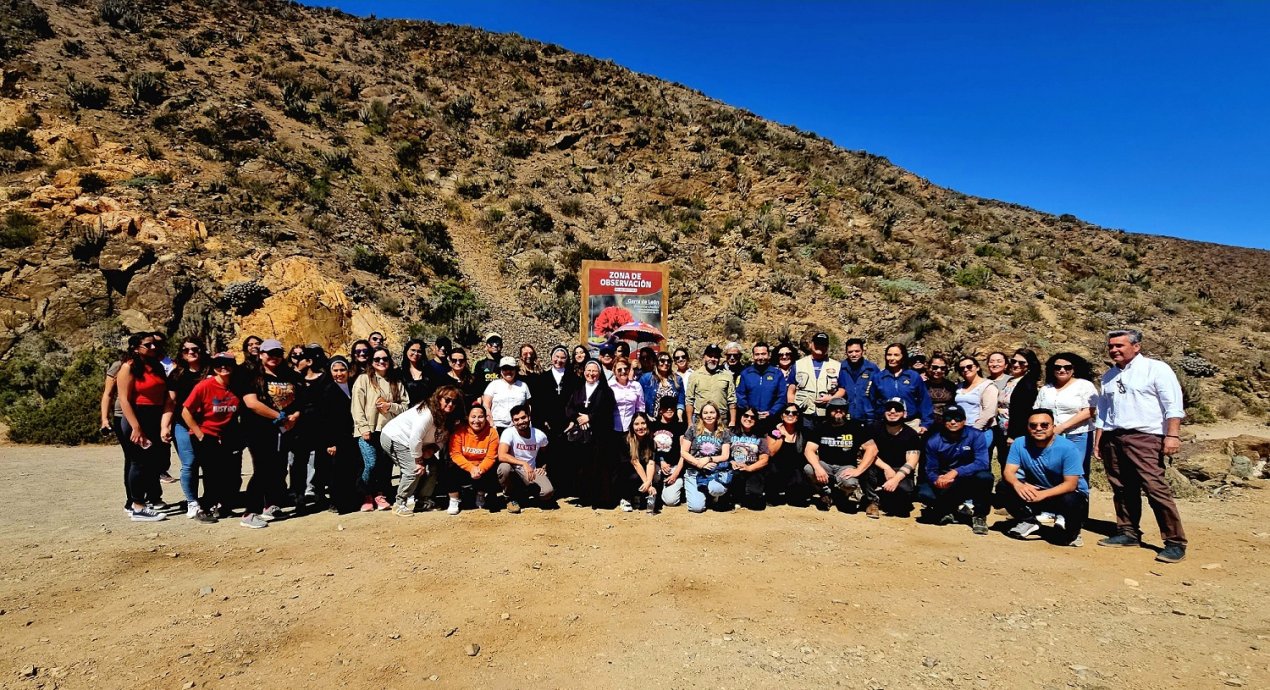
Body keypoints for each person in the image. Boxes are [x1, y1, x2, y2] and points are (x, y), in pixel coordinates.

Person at [1093, 329, 1188, 563]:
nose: (1114, 350)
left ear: (1136, 347)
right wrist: (1099, 441)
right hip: (1113, 437)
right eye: (1111, 346)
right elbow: (1103, 412)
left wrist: (1172, 435)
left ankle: (1175, 541)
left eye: (1119, 345)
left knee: (1155, 487)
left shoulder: (1156, 369)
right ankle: (1128, 532)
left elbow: (1172, 404)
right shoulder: (1109, 376)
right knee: (1121, 487)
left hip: (1145, 437)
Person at [238, 339, 305, 528]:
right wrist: (279, 416)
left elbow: (300, 400)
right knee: (263, 469)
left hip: (284, 429)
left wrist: (295, 416)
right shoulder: (251, 375)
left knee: (278, 468)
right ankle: (250, 512)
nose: (273, 357)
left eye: (277, 353)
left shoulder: (289, 375)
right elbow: (251, 403)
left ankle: (271, 505)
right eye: (269, 353)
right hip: (259, 429)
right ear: (261, 354)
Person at [1003, 409, 1088, 546]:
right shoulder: (1019, 443)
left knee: (1071, 500)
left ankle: (1073, 532)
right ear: (1027, 427)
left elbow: (1071, 484)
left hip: (1066, 494)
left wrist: (1043, 494)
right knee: (1004, 486)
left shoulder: (1068, 448)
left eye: (1044, 425)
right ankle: (1029, 521)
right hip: (1038, 491)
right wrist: (1018, 484)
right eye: (1033, 425)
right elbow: (1008, 472)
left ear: (1053, 427)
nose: (1038, 429)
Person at [115, 332, 175, 521]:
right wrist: (136, 427)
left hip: (155, 416)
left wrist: (164, 424)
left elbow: (166, 395)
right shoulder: (128, 367)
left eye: (154, 344)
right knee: (138, 462)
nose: (153, 347)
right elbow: (124, 399)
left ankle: (147, 501)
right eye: (148, 345)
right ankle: (137, 506)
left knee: (152, 462)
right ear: (135, 348)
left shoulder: (156, 366)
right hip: (137, 417)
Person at [180, 352, 241, 523]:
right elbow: (186, 411)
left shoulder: (237, 386)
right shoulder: (204, 386)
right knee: (212, 474)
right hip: (207, 435)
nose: (223, 367)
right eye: (219, 364)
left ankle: (223, 506)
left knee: (231, 474)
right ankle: (204, 508)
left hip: (228, 436)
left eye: (227, 364)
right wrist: (199, 434)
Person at [381, 385, 459, 515]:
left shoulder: (448, 416)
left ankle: (423, 501)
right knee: (413, 470)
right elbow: (415, 438)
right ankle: (400, 503)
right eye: (447, 400)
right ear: (439, 398)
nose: (450, 404)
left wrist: (433, 449)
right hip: (397, 438)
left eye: (454, 402)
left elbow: (443, 438)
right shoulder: (427, 413)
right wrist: (418, 460)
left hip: (418, 444)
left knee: (433, 467)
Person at [351, 345, 410, 512]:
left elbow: (405, 406)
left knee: (385, 465)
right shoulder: (363, 379)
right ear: (371, 361)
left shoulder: (395, 381)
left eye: (385, 359)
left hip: (388, 431)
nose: (381, 362)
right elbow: (357, 406)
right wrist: (363, 427)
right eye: (377, 359)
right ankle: (366, 495)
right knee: (370, 464)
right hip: (367, 430)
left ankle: (380, 494)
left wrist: (390, 406)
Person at [919, 405, 992, 535]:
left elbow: (982, 462)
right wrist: (936, 480)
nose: (953, 422)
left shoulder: (976, 435)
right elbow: (930, 469)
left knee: (985, 477)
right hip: (946, 480)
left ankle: (980, 516)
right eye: (949, 418)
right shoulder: (933, 440)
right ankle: (950, 510)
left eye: (957, 418)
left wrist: (956, 472)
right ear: (943, 421)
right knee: (924, 493)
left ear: (964, 420)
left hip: (968, 478)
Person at [803, 397, 878, 512]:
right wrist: (818, 468)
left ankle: (841, 495)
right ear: (829, 411)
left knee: (850, 483)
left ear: (846, 411)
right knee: (809, 469)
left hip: (846, 467)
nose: (838, 411)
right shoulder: (821, 427)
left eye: (842, 409)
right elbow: (809, 450)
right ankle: (825, 494)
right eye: (834, 409)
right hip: (825, 465)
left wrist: (858, 470)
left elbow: (872, 449)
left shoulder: (855, 427)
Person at [1036, 352, 1098, 477]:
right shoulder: (1046, 389)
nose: (1062, 370)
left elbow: (1089, 410)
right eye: (1057, 367)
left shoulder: (1084, 385)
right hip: (1050, 436)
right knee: (1053, 471)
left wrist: (1062, 427)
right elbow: (1038, 410)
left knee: (1075, 472)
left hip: (1077, 435)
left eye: (1067, 367)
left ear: (1074, 369)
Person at [565, 360, 617, 508]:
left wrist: (590, 417)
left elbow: (608, 410)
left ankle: (599, 499)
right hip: (581, 436)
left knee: (598, 467)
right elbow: (569, 408)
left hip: (599, 436)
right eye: (588, 370)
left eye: (594, 371)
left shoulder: (606, 391)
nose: (591, 374)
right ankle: (584, 497)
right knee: (582, 466)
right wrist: (579, 418)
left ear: (599, 373)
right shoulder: (578, 389)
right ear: (584, 372)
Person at [527, 346, 578, 496]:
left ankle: (567, 488)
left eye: (563, 357)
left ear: (567, 360)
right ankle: (551, 486)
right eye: (557, 357)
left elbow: (577, 401)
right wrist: (542, 421)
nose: (559, 360)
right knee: (550, 455)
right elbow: (537, 403)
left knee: (567, 455)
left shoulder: (574, 379)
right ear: (551, 358)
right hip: (547, 424)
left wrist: (573, 420)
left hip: (567, 423)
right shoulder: (542, 378)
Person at [169, 337, 210, 517]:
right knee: (190, 463)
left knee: (209, 463)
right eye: (186, 350)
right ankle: (192, 501)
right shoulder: (176, 375)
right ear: (181, 353)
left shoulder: (211, 371)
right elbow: (170, 402)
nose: (191, 352)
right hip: (182, 424)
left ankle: (210, 499)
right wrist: (164, 426)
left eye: (195, 349)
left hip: (208, 424)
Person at [315, 355, 358, 513]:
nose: (339, 374)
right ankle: (337, 502)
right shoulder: (327, 390)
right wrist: (330, 442)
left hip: (351, 435)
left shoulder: (353, 386)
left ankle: (352, 500)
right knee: (336, 472)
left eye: (342, 370)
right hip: (336, 438)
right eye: (335, 370)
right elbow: (324, 419)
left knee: (351, 469)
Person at [867, 398, 922, 517]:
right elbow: (867, 454)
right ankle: (872, 501)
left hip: (900, 471)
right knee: (865, 468)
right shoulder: (873, 428)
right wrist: (886, 468)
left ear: (904, 414)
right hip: (878, 467)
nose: (892, 411)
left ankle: (887, 497)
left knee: (902, 503)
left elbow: (912, 462)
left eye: (897, 409)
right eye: (889, 409)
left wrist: (895, 479)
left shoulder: (911, 435)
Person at [445, 403, 501, 515]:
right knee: (449, 465)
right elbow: (455, 454)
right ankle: (454, 499)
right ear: (468, 418)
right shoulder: (460, 431)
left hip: (481, 468)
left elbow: (490, 457)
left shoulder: (492, 433)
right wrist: (471, 468)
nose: (476, 420)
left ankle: (480, 494)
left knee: (495, 465)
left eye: (480, 417)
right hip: (465, 467)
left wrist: (480, 469)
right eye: (473, 417)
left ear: (486, 418)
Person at [498, 404, 555, 513]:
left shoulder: (539, 435)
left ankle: (526, 494)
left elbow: (547, 453)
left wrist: (543, 466)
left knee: (548, 492)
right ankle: (510, 498)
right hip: (514, 470)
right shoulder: (508, 433)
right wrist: (523, 463)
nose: (520, 422)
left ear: (529, 417)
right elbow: (502, 455)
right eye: (516, 419)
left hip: (531, 471)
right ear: (513, 421)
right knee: (504, 467)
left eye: (523, 417)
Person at [678, 401, 732, 513]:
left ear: (717, 414)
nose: (709, 416)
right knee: (696, 508)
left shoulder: (724, 432)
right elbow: (683, 452)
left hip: (714, 472)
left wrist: (708, 459)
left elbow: (725, 455)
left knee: (716, 489)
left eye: (712, 412)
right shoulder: (692, 429)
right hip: (694, 471)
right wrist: (699, 463)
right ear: (701, 415)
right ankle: (702, 495)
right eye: (705, 413)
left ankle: (712, 495)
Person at [874, 343, 934, 433]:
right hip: (886, 425)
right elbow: (872, 402)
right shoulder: (878, 377)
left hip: (911, 423)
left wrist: (926, 424)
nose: (892, 358)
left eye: (896, 355)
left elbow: (924, 401)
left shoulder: (913, 376)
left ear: (903, 357)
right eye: (889, 355)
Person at [788, 332, 840, 428]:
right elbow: (791, 389)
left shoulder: (837, 366)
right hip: (803, 413)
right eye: (817, 344)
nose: (820, 346)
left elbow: (842, 390)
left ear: (827, 346)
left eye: (823, 344)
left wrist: (831, 398)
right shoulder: (798, 364)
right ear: (811, 344)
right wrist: (792, 409)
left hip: (827, 414)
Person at [762, 404, 809, 505]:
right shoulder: (774, 431)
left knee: (797, 501)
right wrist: (781, 437)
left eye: (794, 413)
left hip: (795, 469)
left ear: (798, 416)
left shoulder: (803, 432)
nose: (790, 415)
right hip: (777, 468)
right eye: (787, 412)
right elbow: (771, 452)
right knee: (772, 470)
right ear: (782, 416)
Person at [649, 397, 686, 513]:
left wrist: (675, 474)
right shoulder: (653, 425)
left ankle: (678, 486)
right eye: (666, 407)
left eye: (672, 407)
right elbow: (650, 449)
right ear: (660, 410)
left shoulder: (680, 426)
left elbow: (683, 453)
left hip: (674, 467)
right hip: (657, 465)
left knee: (671, 501)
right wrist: (661, 461)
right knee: (655, 476)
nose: (669, 410)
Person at [736, 342, 786, 428]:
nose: (760, 357)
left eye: (763, 354)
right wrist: (749, 411)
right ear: (753, 356)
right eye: (757, 354)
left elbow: (782, 396)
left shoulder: (777, 374)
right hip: (750, 419)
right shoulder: (746, 374)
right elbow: (740, 395)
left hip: (771, 419)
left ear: (769, 355)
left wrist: (771, 412)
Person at [685, 344, 737, 426]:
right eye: (710, 356)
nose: (713, 359)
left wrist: (732, 421)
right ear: (704, 357)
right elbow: (689, 400)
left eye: (716, 357)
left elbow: (732, 400)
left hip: (721, 418)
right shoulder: (694, 376)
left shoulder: (727, 375)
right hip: (700, 418)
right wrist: (689, 422)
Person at [727, 407, 768, 510]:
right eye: (746, 415)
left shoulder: (760, 435)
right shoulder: (730, 432)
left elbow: (764, 459)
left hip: (753, 469)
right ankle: (734, 497)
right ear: (740, 416)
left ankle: (747, 496)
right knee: (736, 476)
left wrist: (749, 468)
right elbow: (722, 452)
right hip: (734, 468)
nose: (749, 419)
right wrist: (731, 462)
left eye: (752, 417)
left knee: (756, 505)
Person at [834, 338, 881, 425]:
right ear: (846, 353)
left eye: (857, 351)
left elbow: (879, 393)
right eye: (850, 352)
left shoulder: (872, 369)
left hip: (868, 417)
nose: (854, 354)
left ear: (862, 351)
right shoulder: (841, 368)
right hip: (846, 416)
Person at [482, 356, 532, 434]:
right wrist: (491, 423)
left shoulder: (523, 385)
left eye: (511, 368)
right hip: (497, 427)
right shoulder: (493, 385)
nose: (508, 371)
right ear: (500, 370)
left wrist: (528, 422)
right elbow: (486, 406)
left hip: (518, 427)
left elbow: (528, 406)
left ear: (515, 369)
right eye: (505, 369)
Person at [620, 411, 658, 513]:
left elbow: (651, 463)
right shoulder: (626, 440)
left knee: (655, 477)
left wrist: (649, 482)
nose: (640, 427)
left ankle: (639, 496)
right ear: (632, 426)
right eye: (636, 424)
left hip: (642, 469)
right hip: (626, 471)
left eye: (643, 423)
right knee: (633, 476)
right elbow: (635, 462)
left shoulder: (651, 441)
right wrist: (648, 484)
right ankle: (625, 498)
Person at [954, 356, 999, 431]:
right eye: (962, 368)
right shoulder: (958, 387)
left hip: (980, 430)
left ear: (977, 368)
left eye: (969, 366)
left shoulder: (988, 386)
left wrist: (975, 430)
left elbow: (989, 412)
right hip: (960, 429)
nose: (965, 369)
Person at [638, 350, 685, 419]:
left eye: (668, 361)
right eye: (662, 361)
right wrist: (646, 415)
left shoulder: (677, 379)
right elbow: (638, 400)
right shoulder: (646, 378)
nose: (666, 363)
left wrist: (679, 415)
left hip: (671, 419)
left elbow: (681, 400)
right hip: (652, 419)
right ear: (656, 362)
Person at [609, 356, 645, 434]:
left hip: (631, 428)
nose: (623, 371)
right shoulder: (609, 386)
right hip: (613, 427)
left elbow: (640, 407)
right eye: (619, 370)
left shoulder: (636, 385)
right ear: (614, 371)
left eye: (626, 369)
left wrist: (639, 424)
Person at [924, 354, 957, 426]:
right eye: (935, 367)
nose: (938, 370)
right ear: (929, 367)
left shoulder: (951, 386)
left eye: (942, 368)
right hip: (927, 423)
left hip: (947, 423)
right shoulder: (923, 386)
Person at [401, 338, 436, 404]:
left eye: (419, 351)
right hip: (408, 409)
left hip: (427, 407)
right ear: (406, 351)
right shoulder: (400, 373)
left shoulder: (430, 371)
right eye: (413, 350)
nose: (416, 353)